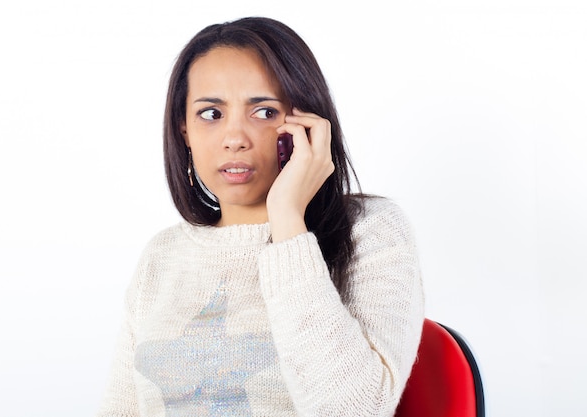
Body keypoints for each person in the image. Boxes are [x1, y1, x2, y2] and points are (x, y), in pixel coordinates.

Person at [97, 16, 424, 417]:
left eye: (265, 112)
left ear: (307, 124)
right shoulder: (162, 256)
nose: (235, 138)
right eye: (211, 114)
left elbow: (352, 409)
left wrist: (288, 221)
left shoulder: (370, 231)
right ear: (184, 129)